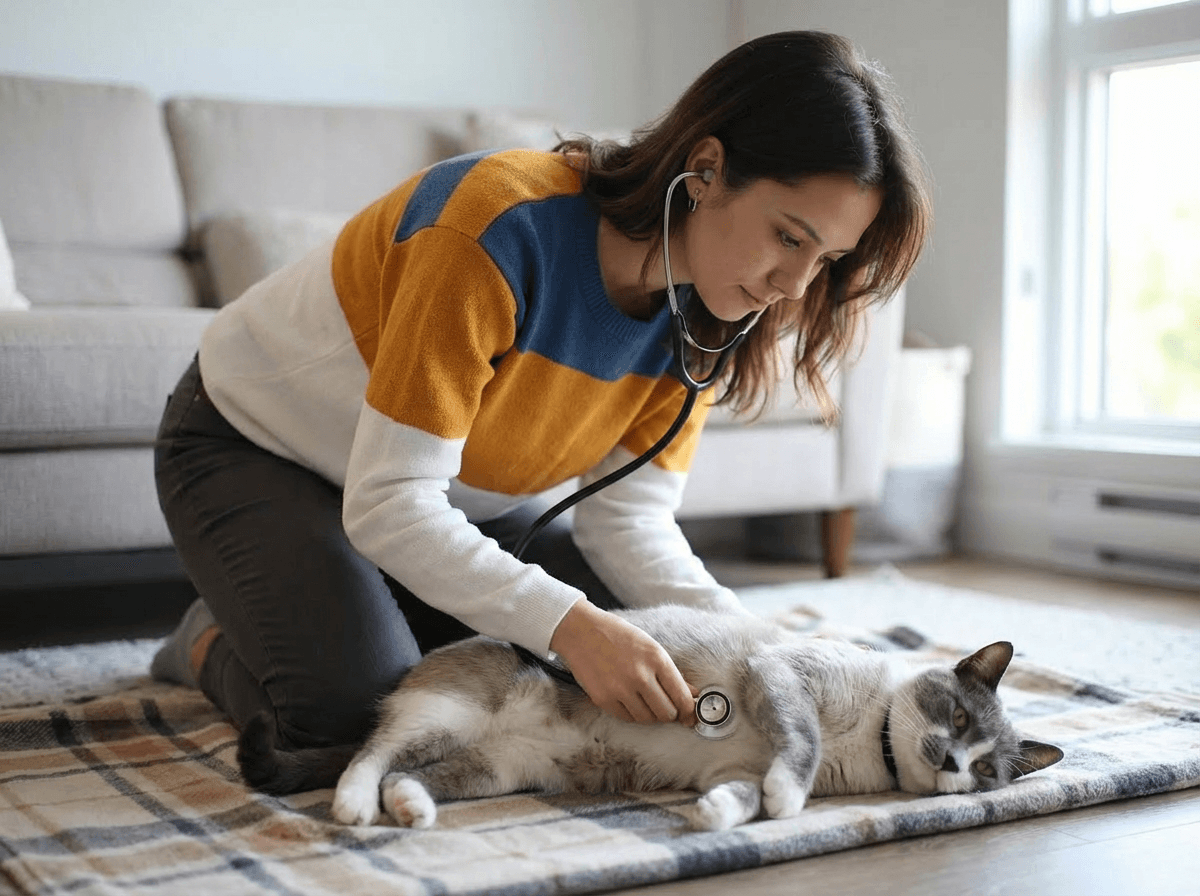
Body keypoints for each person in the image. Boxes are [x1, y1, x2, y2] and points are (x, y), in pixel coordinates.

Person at [151, 30, 931, 752]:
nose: (795, 286)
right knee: (359, 711)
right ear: (706, 170)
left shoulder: (712, 310)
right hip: (251, 447)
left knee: (655, 650)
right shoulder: (493, 226)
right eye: (790, 236)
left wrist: (761, 649)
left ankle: (339, 598)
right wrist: (571, 627)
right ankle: (211, 636)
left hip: (430, 501)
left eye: (825, 259)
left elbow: (626, 523)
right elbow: (392, 501)